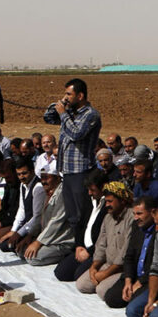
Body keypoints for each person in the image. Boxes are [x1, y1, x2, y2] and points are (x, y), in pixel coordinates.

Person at [43, 78, 102, 240]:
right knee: (71, 215)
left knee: (80, 213)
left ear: (80, 96)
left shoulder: (91, 115)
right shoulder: (69, 113)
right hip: (67, 171)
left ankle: (82, 246)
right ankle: (75, 246)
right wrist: (60, 106)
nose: (66, 97)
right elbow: (48, 117)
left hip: (80, 171)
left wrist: (63, 114)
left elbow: (76, 134)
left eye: (69, 94)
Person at [75, 181, 136, 301]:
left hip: (122, 268)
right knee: (82, 285)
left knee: (102, 290)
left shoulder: (132, 218)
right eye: (106, 201)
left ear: (122, 201)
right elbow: (101, 245)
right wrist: (94, 267)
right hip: (107, 263)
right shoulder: (108, 217)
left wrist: (106, 274)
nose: (107, 205)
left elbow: (125, 252)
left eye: (110, 201)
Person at [53, 170, 107, 282]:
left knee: (78, 276)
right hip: (82, 248)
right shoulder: (89, 201)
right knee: (61, 273)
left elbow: (104, 237)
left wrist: (89, 252)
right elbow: (80, 225)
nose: (89, 193)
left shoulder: (108, 206)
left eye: (93, 190)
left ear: (102, 188)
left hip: (95, 252)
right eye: (88, 190)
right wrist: (78, 246)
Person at [106, 197, 157, 311]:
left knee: (134, 305)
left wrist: (139, 283)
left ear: (152, 212)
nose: (136, 218)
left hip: (149, 279)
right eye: (134, 214)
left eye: (139, 214)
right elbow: (129, 255)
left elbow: (157, 265)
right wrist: (128, 281)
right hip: (134, 275)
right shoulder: (136, 226)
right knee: (111, 298)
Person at [0, 156, 45, 255]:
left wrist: (19, 233)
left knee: (19, 249)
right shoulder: (23, 185)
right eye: (19, 174)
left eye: (24, 173)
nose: (22, 177)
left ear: (32, 171)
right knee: (4, 244)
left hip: (36, 228)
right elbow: (21, 209)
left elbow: (37, 217)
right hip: (26, 226)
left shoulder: (38, 187)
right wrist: (14, 231)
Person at [23, 169, 72, 266]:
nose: (43, 181)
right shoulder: (48, 191)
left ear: (57, 178)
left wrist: (38, 242)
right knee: (22, 251)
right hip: (48, 238)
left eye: (47, 177)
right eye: (42, 178)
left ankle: (65, 254)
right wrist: (30, 235)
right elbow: (39, 217)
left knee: (32, 258)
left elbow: (56, 221)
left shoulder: (62, 193)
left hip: (61, 240)